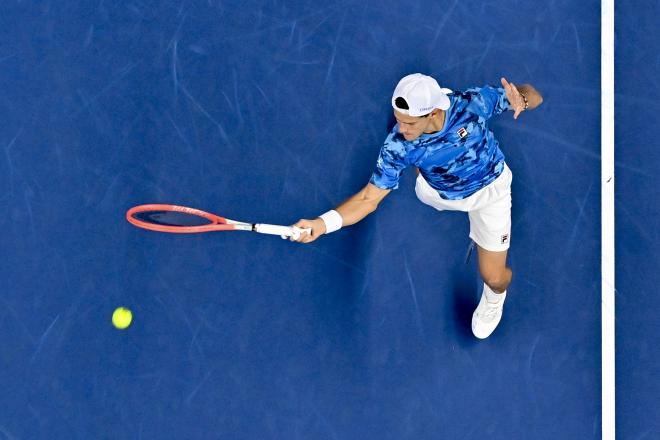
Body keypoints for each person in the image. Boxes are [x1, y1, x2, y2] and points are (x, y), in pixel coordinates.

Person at [291, 73, 543, 339]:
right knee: (417, 166)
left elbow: (533, 93)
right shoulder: (397, 145)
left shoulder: (472, 104)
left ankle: (494, 301)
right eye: (399, 120)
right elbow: (369, 198)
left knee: (494, 277)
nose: (401, 130)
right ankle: (423, 165)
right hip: (437, 193)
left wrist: (522, 100)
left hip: (490, 193)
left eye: (409, 123)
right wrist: (322, 223)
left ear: (434, 111)